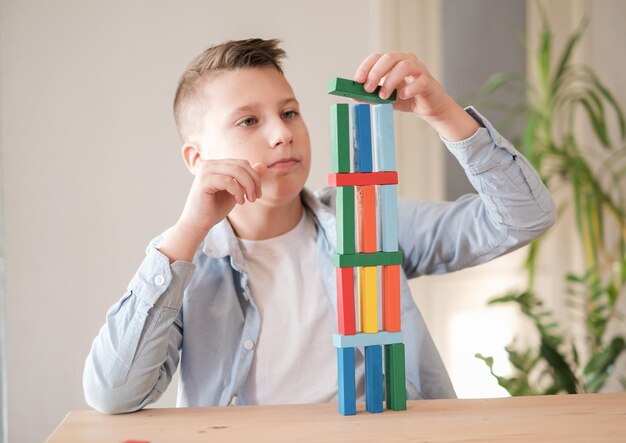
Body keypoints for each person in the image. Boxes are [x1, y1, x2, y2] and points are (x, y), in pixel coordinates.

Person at [83, 38, 556, 414]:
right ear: (197, 158)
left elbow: (524, 217)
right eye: (249, 120)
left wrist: (443, 112)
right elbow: (113, 394)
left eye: (289, 112)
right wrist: (190, 227)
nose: (282, 132)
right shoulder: (182, 261)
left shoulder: (371, 221)